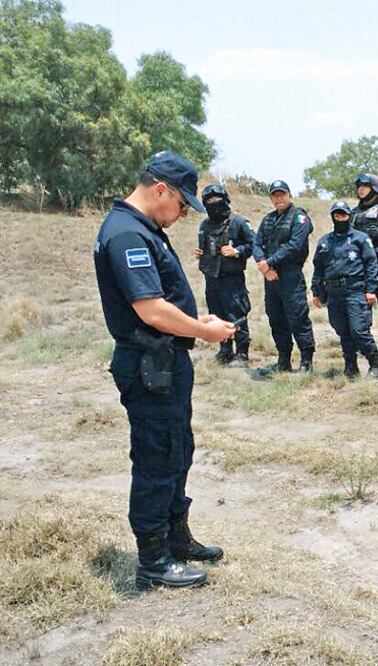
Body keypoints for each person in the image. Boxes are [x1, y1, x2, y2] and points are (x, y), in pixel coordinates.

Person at [94, 150, 233, 590]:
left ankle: (175, 536)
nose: (181, 214)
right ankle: (153, 559)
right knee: (156, 457)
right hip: (149, 363)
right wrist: (203, 331)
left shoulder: (143, 228)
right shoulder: (126, 234)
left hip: (166, 362)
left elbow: (164, 302)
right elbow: (151, 309)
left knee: (178, 450)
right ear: (160, 190)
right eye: (180, 204)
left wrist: (197, 325)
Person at [251, 180, 315, 377]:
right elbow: (256, 243)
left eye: (282, 194)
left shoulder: (299, 218)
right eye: (275, 195)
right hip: (271, 278)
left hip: (290, 276)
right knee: (276, 318)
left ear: (289, 195)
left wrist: (269, 262)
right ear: (271, 198)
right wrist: (264, 265)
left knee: (297, 317)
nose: (279, 198)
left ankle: (306, 361)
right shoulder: (268, 219)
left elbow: (295, 245)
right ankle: (283, 360)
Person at [312, 201, 378, 378]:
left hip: (355, 291)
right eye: (337, 215)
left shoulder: (360, 238)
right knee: (343, 331)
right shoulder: (325, 241)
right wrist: (316, 292)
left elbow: (371, 263)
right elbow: (318, 267)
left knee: (358, 330)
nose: (340, 218)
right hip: (334, 293)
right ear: (333, 217)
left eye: (343, 215)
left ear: (349, 216)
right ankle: (351, 366)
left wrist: (371, 289)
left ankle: (375, 365)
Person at [194, 184, 255, 366]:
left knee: (236, 312)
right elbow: (204, 246)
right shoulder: (205, 224)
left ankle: (242, 353)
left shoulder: (238, 222)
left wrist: (237, 251)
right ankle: (225, 350)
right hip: (211, 277)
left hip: (232, 277)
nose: (214, 203)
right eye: (209, 200)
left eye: (217, 199)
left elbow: (255, 244)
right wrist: (200, 252)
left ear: (225, 199)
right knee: (216, 314)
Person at [350, 173, 378, 346]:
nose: (361, 189)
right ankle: (364, 340)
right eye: (359, 186)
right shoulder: (353, 213)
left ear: (374, 189)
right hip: (359, 263)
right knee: (361, 304)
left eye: (365, 186)